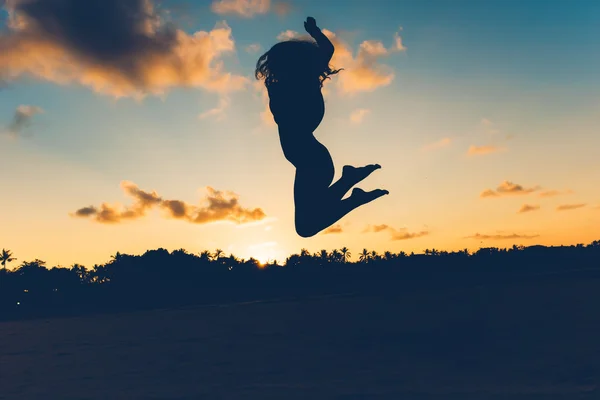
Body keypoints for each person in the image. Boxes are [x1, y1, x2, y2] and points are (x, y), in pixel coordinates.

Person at [255, 17, 388, 238]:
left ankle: (352, 190)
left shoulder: (284, 89)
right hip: (312, 160)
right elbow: (327, 49)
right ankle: (349, 181)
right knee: (307, 223)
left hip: (311, 162)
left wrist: (315, 32)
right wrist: (314, 32)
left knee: (306, 226)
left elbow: (325, 51)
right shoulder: (302, 81)